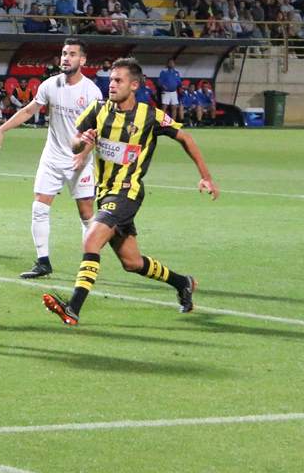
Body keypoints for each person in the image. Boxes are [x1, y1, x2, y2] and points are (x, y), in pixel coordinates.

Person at [43, 57, 217, 327]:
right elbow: (75, 141)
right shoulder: (98, 109)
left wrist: (206, 177)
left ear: (134, 85)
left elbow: (185, 137)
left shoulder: (150, 115)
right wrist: (82, 142)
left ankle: (73, 309)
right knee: (132, 262)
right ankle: (183, 283)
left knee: (91, 242)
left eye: (118, 80)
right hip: (105, 193)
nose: (111, 85)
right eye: (111, 80)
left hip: (127, 193)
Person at [0, 38, 104, 279]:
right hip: (52, 157)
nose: (66, 58)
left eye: (72, 54)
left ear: (82, 60)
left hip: (80, 162)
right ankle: (43, 262)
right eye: (64, 53)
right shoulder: (50, 85)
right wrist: (2, 129)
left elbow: (98, 130)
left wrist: (83, 154)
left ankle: (89, 264)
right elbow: (29, 110)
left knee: (86, 213)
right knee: (39, 208)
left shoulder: (92, 91)